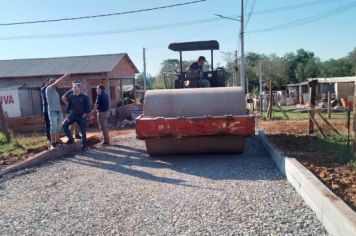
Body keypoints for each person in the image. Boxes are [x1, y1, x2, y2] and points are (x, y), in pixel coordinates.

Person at [62, 83, 91, 151]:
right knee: (64, 125)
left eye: (75, 87)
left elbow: (89, 107)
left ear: (79, 88)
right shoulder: (71, 97)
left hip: (81, 116)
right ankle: (71, 139)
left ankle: (84, 146)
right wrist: (66, 115)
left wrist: (85, 114)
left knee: (83, 131)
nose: (73, 89)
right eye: (73, 87)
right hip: (73, 115)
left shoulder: (85, 97)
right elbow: (69, 107)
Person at [46, 74, 71, 149]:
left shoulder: (56, 92)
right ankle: (52, 143)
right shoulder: (49, 89)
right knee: (53, 127)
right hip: (53, 111)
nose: (58, 84)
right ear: (53, 83)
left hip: (59, 111)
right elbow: (57, 82)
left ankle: (56, 142)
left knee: (58, 128)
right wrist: (65, 76)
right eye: (56, 83)